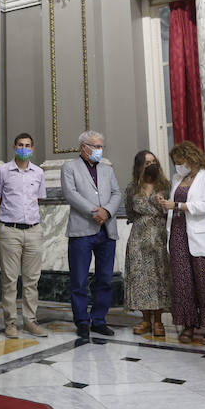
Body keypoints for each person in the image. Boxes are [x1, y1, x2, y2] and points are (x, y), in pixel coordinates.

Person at [157, 141, 205, 344]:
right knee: (182, 281)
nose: (178, 166)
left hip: (200, 235)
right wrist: (165, 203)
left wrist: (176, 204)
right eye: (176, 162)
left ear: (192, 158)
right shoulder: (178, 178)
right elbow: (172, 204)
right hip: (177, 233)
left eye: (181, 161)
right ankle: (188, 324)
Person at [61, 130, 123, 338]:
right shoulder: (70, 167)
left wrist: (107, 211)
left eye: (100, 146)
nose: (99, 150)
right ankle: (81, 321)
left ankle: (99, 320)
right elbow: (71, 194)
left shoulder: (107, 169)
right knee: (78, 280)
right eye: (95, 146)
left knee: (104, 279)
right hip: (82, 231)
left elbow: (116, 193)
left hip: (107, 230)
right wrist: (94, 211)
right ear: (83, 147)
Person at [0, 133, 48, 338]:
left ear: (33, 149)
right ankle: (11, 323)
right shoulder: (2, 171)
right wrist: (8, 219)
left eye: (28, 146)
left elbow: (38, 200)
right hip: (9, 231)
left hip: (33, 231)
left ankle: (30, 321)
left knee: (32, 280)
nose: (24, 148)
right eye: (20, 145)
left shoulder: (39, 173)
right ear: (14, 147)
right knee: (9, 280)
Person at [123, 150, 171, 338]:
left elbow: (172, 210)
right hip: (138, 239)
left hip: (159, 238)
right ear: (140, 166)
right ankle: (145, 319)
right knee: (140, 277)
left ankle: (158, 321)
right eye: (147, 162)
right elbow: (129, 212)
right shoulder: (132, 188)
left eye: (153, 161)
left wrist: (163, 205)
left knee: (159, 277)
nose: (151, 164)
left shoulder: (166, 186)